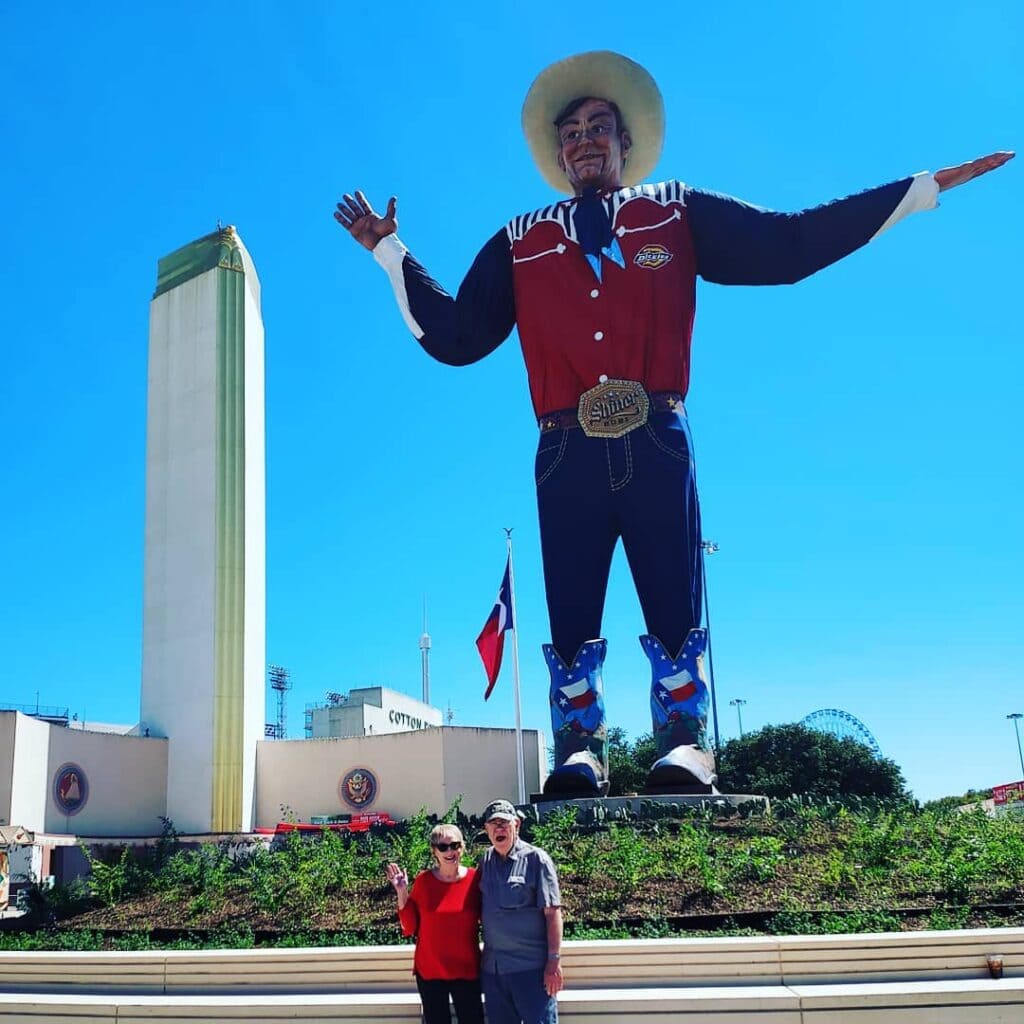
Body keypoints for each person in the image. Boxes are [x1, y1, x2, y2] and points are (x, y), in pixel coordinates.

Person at [335, 51, 1013, 799]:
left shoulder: (676, 210)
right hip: (565, 446)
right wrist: (388, 250)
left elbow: (787, 246)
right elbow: (458, 335)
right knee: (570, 604)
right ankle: (579, 751)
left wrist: (917, 192)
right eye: (571, 133)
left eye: (600, 127)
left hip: (656, 432)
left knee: (671, 595)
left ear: (627, 143)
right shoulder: (520, 240)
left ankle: (686, 745)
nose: (585, 141)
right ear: (558, 155)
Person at [385, 823, 484, 1024]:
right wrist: (402, 892)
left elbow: (489, 918)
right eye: (443, 847)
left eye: (454, 845)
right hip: (430, 970)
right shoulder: (424, 881)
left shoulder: (476, 880)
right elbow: (410, 927)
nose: (450, 851)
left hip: (467, 969)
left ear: (462, 848)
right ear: (434, 852)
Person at [476, 798, 563, 1024]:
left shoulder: (537, 860)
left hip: (530, 971)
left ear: (517, 825)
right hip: (494, 972)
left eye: (504, 823)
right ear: (487, 830)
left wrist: (553, 962)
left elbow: (553, 913)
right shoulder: (485, 861)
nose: (499, 829)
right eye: (493, 824)